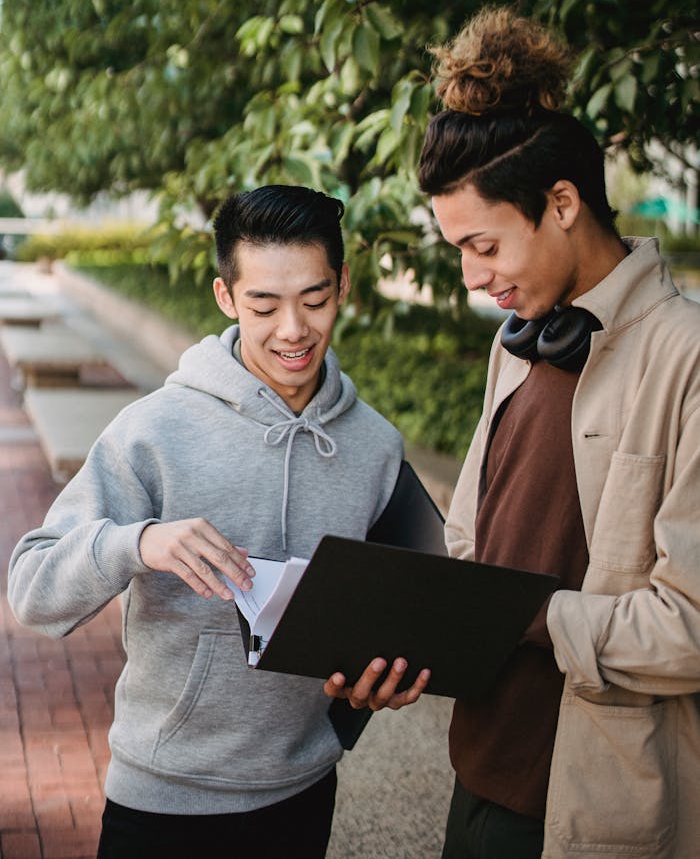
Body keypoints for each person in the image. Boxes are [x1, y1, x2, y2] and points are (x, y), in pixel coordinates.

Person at [326, 7, 700, 859]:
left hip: (593, 802)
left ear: (562, 203)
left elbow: (690, 628)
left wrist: (527, 614)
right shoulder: (514, 338)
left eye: (484, 244)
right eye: (456, 247)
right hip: (479, 765)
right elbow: (472, 535)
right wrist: (404, 629)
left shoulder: (687, 359)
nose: (470, 276)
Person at [7, 184, 428, 859]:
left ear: (343, 285)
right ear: (226, 297)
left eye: (314, 299)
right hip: (161, 798)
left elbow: (390, 612)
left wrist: (380, 680)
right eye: (264, 304)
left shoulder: (375, 449)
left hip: (303, 790)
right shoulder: (154, 431)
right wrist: (137, 543)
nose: (293, 329)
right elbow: (31, 591)